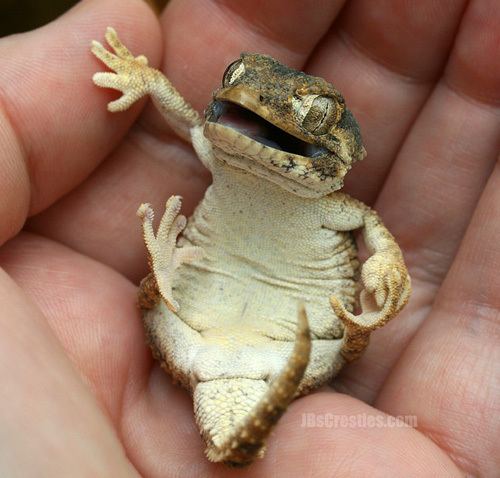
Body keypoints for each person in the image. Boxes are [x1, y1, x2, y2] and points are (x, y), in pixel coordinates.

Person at [0, 0, 498, 476]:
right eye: (236, 82)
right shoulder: (221, 158)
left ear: (345, 152)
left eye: (317, 116)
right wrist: (146, 79)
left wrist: (387, 261)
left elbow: (374, 231)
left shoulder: (335, 209)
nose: (253, 101)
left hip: (271, 346)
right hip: (197, 333)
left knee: (320, 349)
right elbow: (189, 119)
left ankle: (192, 319)